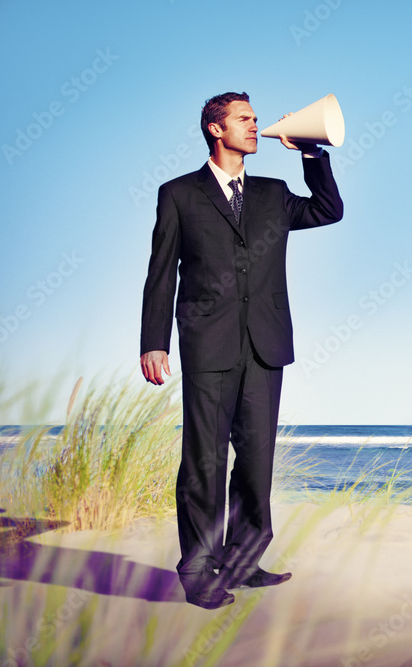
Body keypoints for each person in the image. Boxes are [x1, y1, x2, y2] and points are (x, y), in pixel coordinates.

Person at [140, 92, 343, 609]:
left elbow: (327, 210)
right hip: (207, 342)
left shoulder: (273, 194)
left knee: (255, 462)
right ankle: (199, 570)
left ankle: (243, 560)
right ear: (215, 129)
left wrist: (310, 153)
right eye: (245, 119)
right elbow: (161, 274)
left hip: (265, 343)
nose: (256, 126)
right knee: (204, 462)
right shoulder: (179, 194)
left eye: (256, 119)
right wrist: (153, 342)